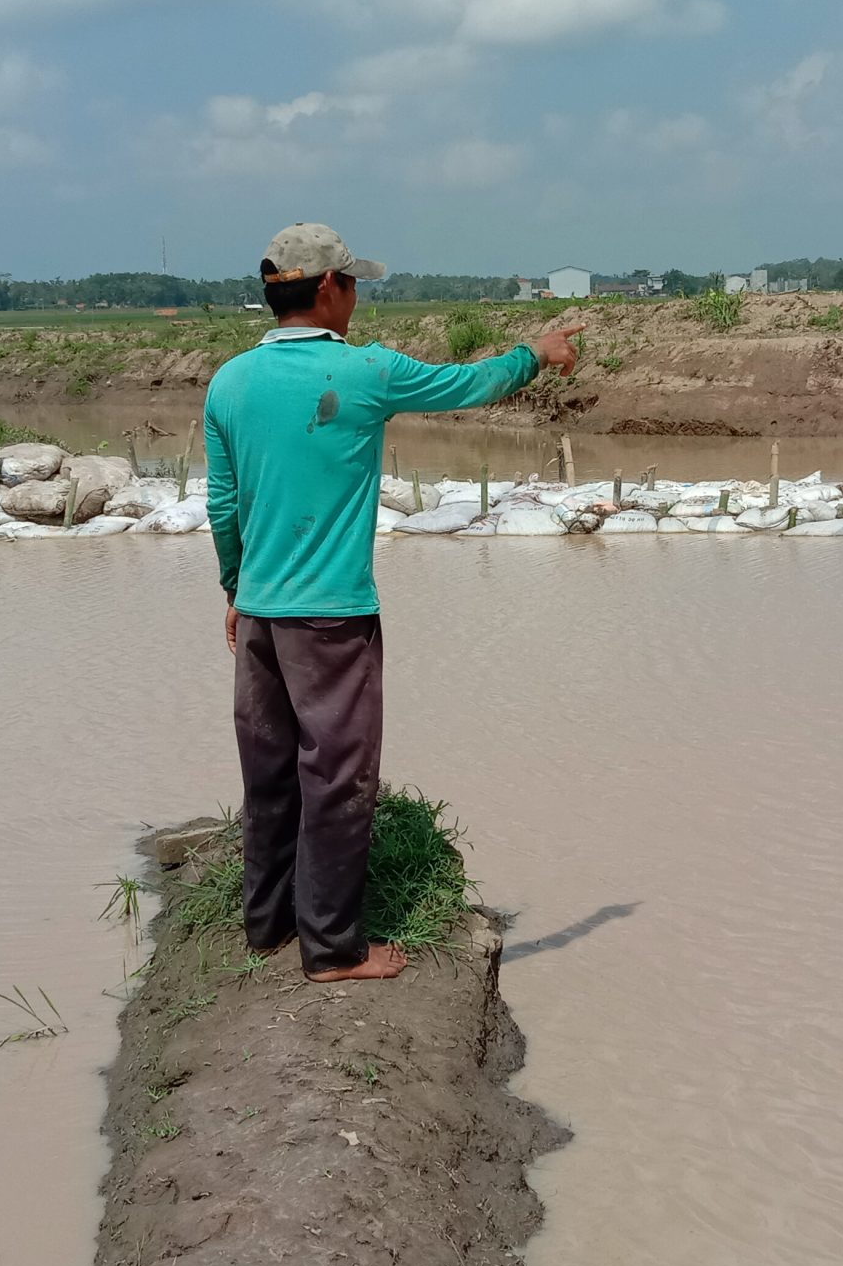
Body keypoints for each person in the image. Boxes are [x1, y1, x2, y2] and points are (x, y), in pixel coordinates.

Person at [204, 223, 584, 983]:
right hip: (331, 616)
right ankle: (334, 950)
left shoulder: (230, 383)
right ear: (330, 289)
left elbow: (223, 503)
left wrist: (234, 590)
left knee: (271, 770)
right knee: (339, 777)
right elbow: (468, 384)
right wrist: (537, 354)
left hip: (261, 615)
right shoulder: (367, 371)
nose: (356, 300)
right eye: (354, 286)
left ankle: (267, 924)